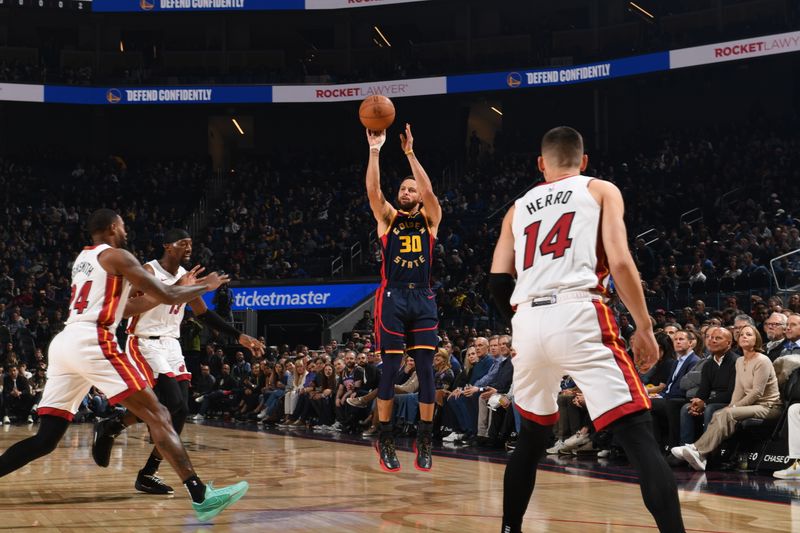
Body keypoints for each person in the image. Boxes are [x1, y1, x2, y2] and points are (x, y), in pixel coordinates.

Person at [489, 127, 684, 533]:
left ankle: (510, 529)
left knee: (531, 439)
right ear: (584, 160)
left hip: (527, 317)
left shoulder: (517, 207)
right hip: (578, 309)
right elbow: (621, 261)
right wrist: (645, 326)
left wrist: (523, 324)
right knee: (636, 432)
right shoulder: (599, 189)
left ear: (541, 164)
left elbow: (495, 282)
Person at [0, 209, 248, 521]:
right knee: (160, 413)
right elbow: (170, 293)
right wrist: (205, 286)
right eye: (123, 224)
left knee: (45, 440)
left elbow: (136, 303)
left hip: (65, 342)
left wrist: (172, 292)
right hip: (94, 340)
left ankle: (115, 433)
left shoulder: (83, 260)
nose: (127, 229)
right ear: (113, 227)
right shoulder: (119, 256)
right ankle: (201, 495)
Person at [93, 228, 265, 495]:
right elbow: (126, 309)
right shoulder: (148, 271)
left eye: (191, 244)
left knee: (181, 410)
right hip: (144, 341)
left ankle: (144, 467)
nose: (188, 247)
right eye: (182, 243)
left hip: (172, 345)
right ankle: (116, 428)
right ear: (167, 245)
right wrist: (181, 287)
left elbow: (203, 314)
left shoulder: (186, 277)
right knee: (170, 404)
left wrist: (239, 336)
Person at [366, 123, 442, 472]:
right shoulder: (388, 218)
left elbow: (428, 190)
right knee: (392, 369)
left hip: (423, 298)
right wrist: (376, 150)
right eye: (404, 188)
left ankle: (424, 437)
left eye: (412, 188)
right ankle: (385, 437)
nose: (408, 191)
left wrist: (410, 153)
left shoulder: (430, 218)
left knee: (427, 370)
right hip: (394, 297)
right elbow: (373, 190)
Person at [671, 325, 782, 471]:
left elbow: (757, 393)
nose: (744, 336)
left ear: (757, 340)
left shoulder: (762, 360)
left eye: (749, 334)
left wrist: (734, 407)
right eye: (742, 334)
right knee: (720, 412)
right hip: (751, 405)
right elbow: (738, 389)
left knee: (727, 413)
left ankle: (698, 449)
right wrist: (732, 405)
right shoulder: (740, 361)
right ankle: (701, 455)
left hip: (768, 406)